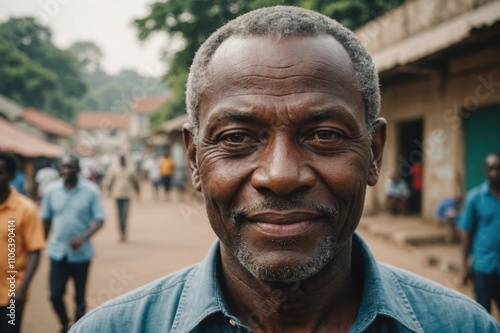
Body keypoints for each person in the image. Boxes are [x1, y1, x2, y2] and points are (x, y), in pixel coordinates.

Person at [70, 7, 499, 332]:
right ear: (193, 158)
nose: (280, 176)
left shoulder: (464, 326)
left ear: (374, 152)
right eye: (237, 138)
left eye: (325, 134)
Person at [41, 154, 105, 332]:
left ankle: (78, 328)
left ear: (78, 169)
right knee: (55, 295)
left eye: (71, 167)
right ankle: (64, 323)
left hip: (81, 254)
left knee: (79, 298)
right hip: (57, 252)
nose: (66, 170)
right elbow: (45, 219)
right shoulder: (51, 191)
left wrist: (83, 237)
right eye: (63, 166)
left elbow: (99, 219)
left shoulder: (91, 190)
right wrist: (40, 244)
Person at [0, 152, 45, 333]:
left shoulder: (26, 209)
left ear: (11, 176)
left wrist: (22, 289)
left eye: (0, 172)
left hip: (11, 293)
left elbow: (35, 250)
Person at [459, 152, 500, 314]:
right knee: (483, 315)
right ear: (485, 170)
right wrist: (464, 267)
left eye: (498, 168)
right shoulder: (475, 198)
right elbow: (466, 233)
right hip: (483, 267)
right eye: (491, 169)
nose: (495, 173)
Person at [103, 155, 140, 242]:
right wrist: (108, 190)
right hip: (117, 195)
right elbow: (109, 181)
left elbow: (135, 181)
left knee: (125, 214)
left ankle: (124, 232)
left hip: (127, 195)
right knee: (119, 215)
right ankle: (121, 232)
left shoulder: (131, 169)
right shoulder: (114, 169)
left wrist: (138, 192)